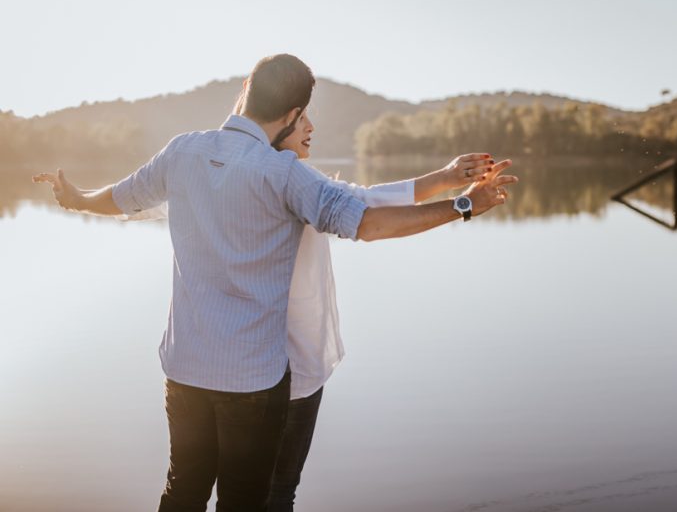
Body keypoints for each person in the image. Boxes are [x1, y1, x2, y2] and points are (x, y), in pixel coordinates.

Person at [32, 53, 517, 512]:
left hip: (184, 368)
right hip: (252, 382)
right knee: (249, 503)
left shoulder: (183, 151)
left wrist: (76, 199)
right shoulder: (285, 175)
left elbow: (121, 197)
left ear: (245, 88)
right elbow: (366, 219)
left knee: (181, 493)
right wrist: (464, 204)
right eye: (304, 119)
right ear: (293, 113)